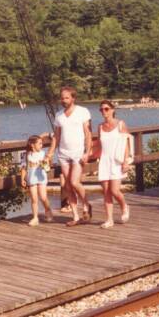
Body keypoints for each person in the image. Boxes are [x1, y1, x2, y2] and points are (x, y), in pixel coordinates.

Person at [47, 86, 93, 226]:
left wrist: (87, 152)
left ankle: (86, 204)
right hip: (63, 154)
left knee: (74, 182)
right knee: (68, 185)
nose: (64, 100)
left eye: (67, 98)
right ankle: (75, 216)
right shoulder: (59, 115)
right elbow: (56, 136)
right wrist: (50, 153)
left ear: (73, 98)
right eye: (62, 98)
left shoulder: (82, 112)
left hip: (78, 153)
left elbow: (88, 134)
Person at [96, 100, 131, 228]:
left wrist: (126, 161)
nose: (104, 111)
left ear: (112, 110)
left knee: (115, 190)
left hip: (116, 161)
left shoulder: (120, 124)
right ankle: (109, 220)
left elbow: (126, 144)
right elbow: (99, 146)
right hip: (104, 161)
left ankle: (124, 206)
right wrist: (89, 156)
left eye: (106, 109)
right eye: (101, 109)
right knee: (106, 192)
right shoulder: (100, 127)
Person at [20, 135, 53, 226]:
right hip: (31, 178)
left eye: (42, 143)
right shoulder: (26, 155)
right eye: (39, 143)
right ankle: (35, 218)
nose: (41, 145)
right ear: (32, 145)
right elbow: (23, 168)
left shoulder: (43, 154)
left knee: (43, 197)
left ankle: (48, 210)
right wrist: (22, 179)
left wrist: (47, 162)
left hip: (41, 177)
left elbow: (48, 166)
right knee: (34, 199)